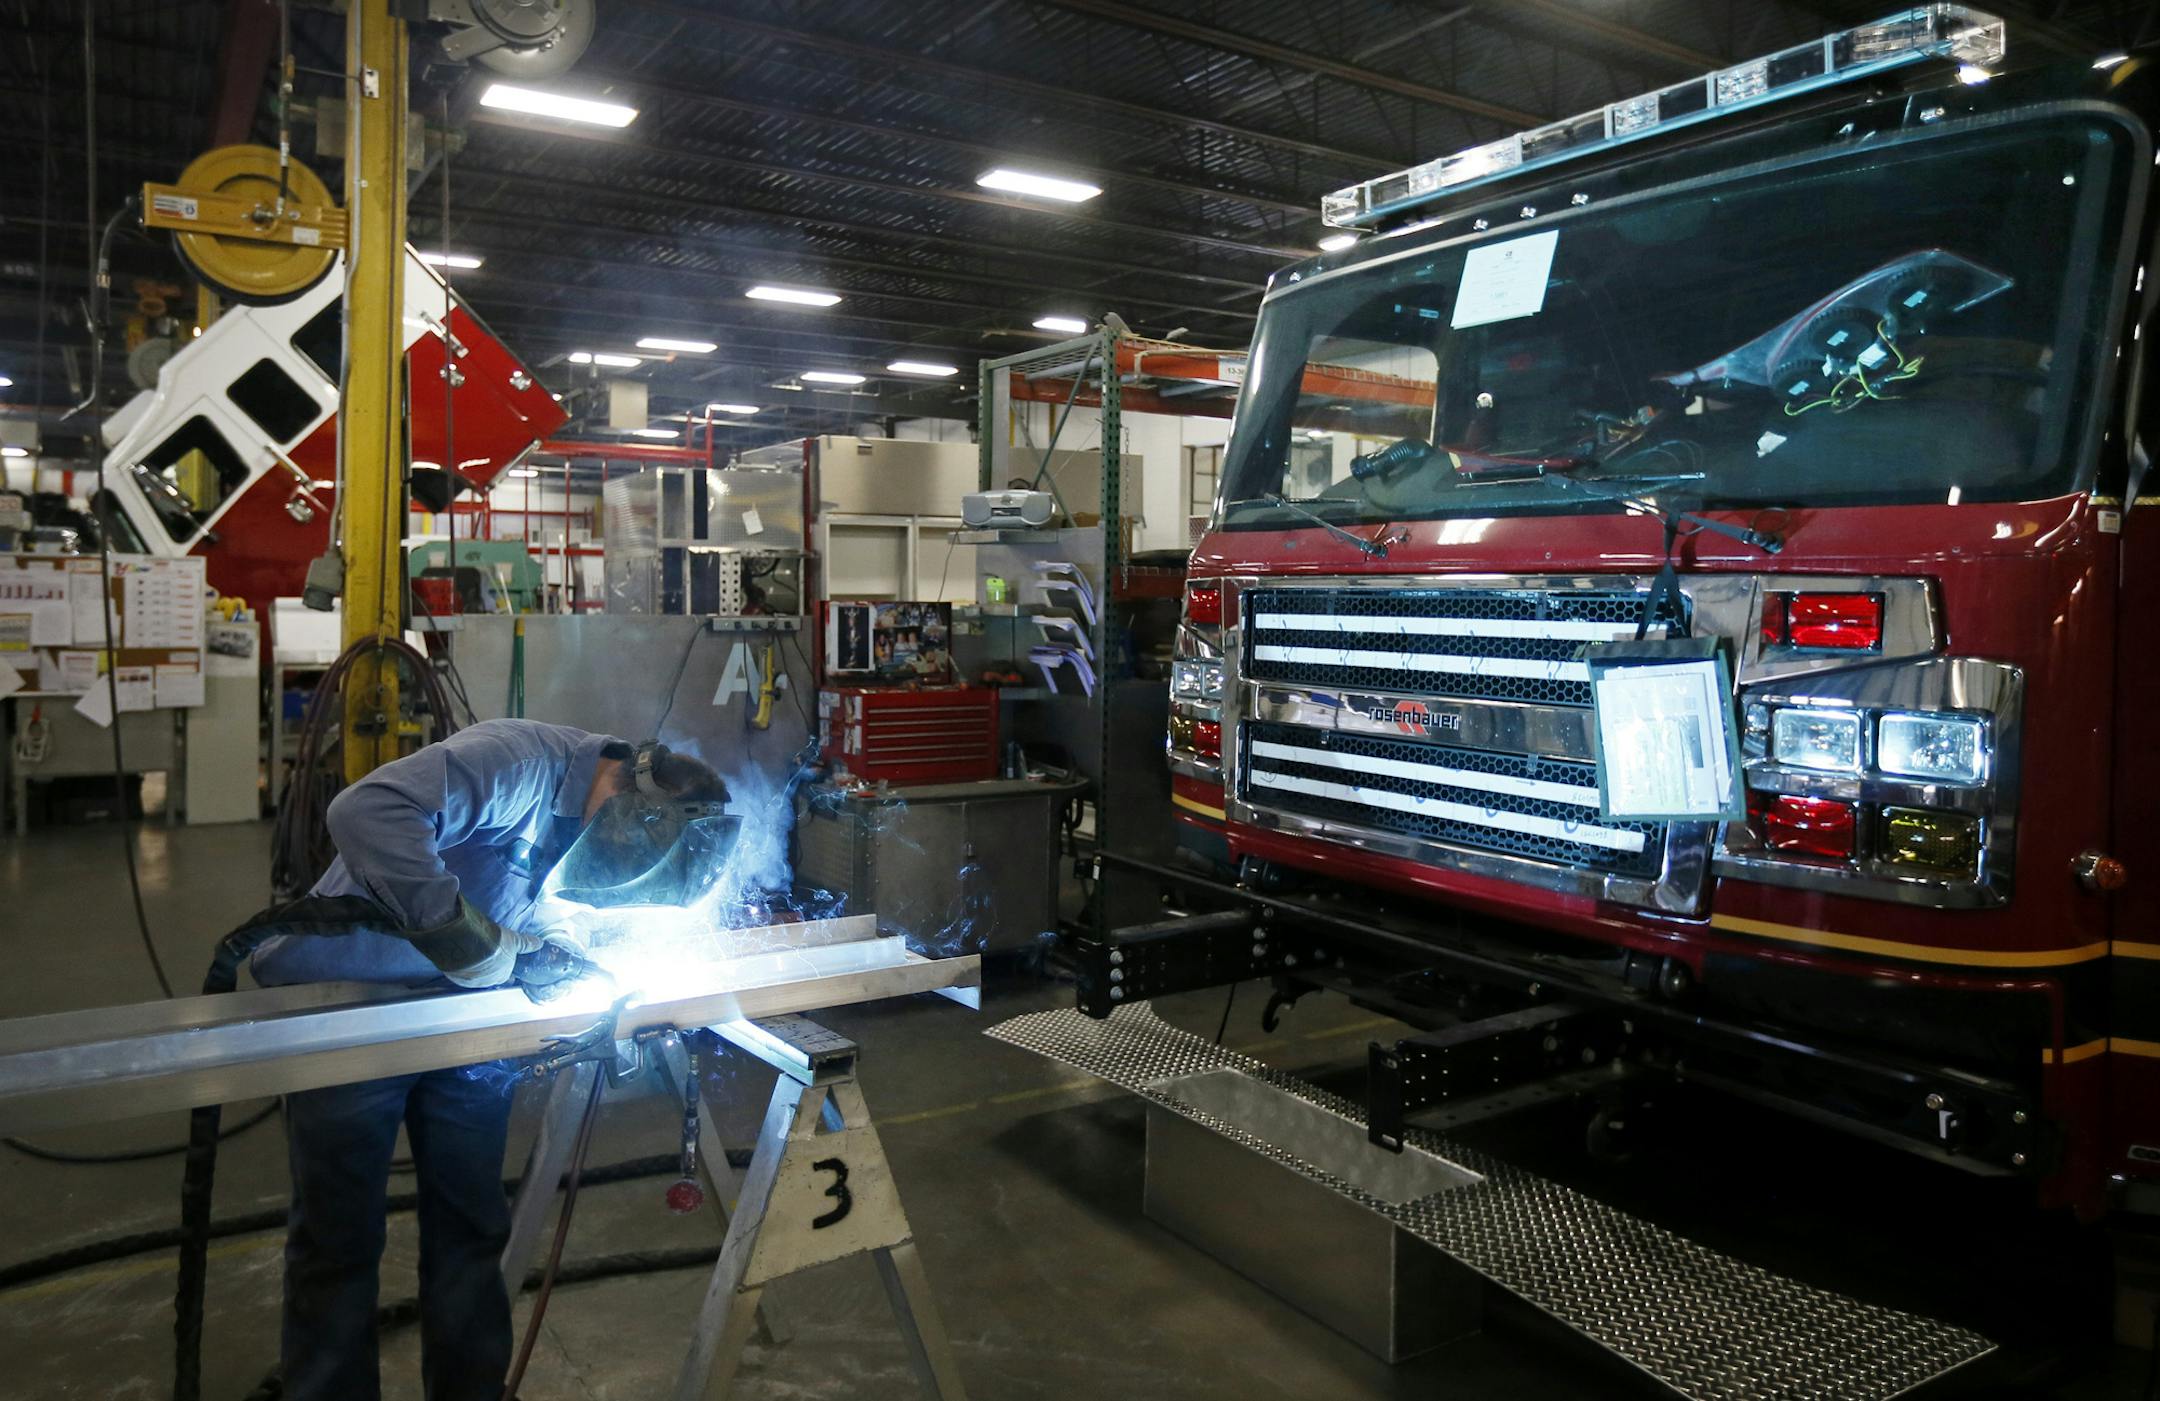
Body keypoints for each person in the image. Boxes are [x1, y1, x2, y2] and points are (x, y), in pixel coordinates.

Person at [250, 719, 730, 1401]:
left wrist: (557, 948)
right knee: (340, 1240)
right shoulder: (517, 765)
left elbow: (543, 898)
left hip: (471, 1027)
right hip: (351, 1002)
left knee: (471, 1229)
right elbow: (364, 810)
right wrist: (478, 945)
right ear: (630, 800)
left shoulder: (601, 819)